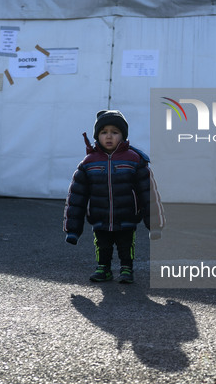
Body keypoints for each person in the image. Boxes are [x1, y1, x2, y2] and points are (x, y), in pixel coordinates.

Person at [63, 110, 164, 283]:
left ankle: (127, 268)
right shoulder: (89, 162)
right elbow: (76, 198)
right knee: (102, 245)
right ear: (97, 136)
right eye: (104, 132)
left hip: (127, 217)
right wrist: (73, 230)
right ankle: (103, 268)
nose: (109, 137)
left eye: (114, 132)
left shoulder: (135, 160)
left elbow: (148, 194)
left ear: (123, 135)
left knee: (126, 245)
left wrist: (154, 225)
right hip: (99, 217)